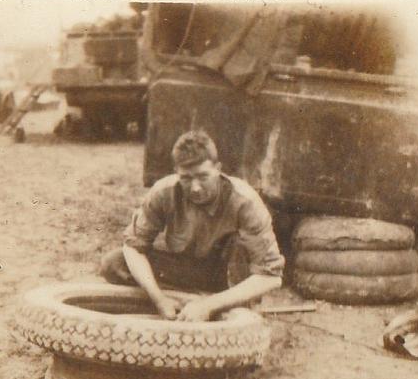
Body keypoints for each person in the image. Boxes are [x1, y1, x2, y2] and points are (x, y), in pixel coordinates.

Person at [100, 130, 284, 321]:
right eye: (186, 178)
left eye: (203, 176)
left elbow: (270, 276)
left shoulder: (245, 202)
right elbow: (134, 247)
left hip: (226, 275)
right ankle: (180, 300)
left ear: (218, 169)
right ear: (176, 172)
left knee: (240, 250)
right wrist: (159, 299)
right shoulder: (164, 192)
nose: (195, 187)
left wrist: (209, 305)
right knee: (114, 263)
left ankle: (222, 306)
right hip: (186, 267)